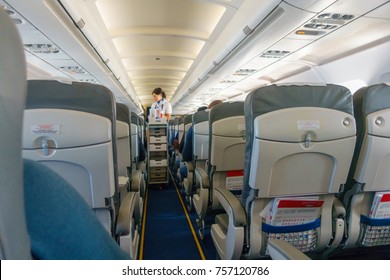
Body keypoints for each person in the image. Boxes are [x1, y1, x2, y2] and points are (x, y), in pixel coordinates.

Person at [179, 100, 222, 179]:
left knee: (182, 170)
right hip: (237, 174)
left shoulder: (194, 128)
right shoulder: (240, 126)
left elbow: (186, 155)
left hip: (202, 172)